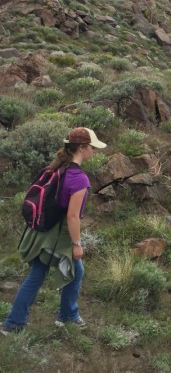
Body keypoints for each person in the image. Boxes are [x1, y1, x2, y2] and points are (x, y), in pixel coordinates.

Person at [1, 127, 107, 335]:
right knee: (72, 271)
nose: (94, 151)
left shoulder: (56, 168)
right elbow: (73, 216)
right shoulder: (79, 179)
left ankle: (15, 323)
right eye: (92, 147)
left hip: (40, 231)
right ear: (82, 148)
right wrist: (77, 244)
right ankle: (65, 316)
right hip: (56, 236)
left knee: (43, 273)